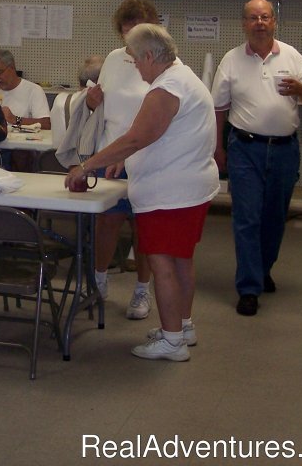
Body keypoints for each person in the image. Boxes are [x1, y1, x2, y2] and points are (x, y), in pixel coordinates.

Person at [65, 24, 218, 362]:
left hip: (171, 193)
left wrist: (86, 166)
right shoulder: (184, 77)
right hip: (189, 188)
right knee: (180, 261)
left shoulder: (166, 89)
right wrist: (127, 160)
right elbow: (158, 137)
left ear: (150, 56)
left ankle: (172, 341)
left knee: (162, 262)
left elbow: (137, 137)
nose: (135, 67)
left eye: (135, 60)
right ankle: (182, 326)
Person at [212, 0, 302, 317]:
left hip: (285, 150)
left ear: (274, 21)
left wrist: (301, 89)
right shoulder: (231, 60)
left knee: (274, 217)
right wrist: (217, 150)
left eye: (265, 17)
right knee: (246, 218)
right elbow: (218, 108)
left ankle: (262, 269)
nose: (259, 23)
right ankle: (248, 288)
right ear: (243, 24)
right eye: (252, 18)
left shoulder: (292, 56)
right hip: (244, 148)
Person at [83, 0, 161, 319]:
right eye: (126, 34)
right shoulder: (113, 60)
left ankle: (142, 291)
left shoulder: (164, 62)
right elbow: (97, 108)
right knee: (106, 222)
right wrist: (91, 101)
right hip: (110, 152)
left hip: (148, 157)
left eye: (138, 33)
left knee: (143, 226)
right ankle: (98, 282)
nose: (131, 41)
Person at [0, 49, 51, 130]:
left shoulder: (34, 91)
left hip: (23, 142)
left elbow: (46, 124)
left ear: (12, 67)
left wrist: (14, 119)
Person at [50, 55, 103, 149]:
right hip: (88, 162)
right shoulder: (101, 106)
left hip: (57, 161)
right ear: (99, 81)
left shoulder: (60, 100)